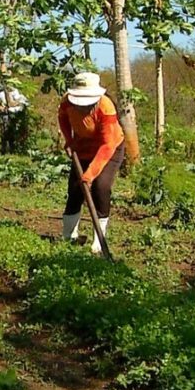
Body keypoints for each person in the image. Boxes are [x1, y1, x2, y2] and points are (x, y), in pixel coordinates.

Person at [58, 72, 125, 254]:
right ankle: (69, 235)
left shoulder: (105, 106)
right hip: (81, 145)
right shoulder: (67, 101)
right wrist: (69, 140)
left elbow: (107, 144)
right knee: (75, 189)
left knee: (100, 187)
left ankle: (98, 239)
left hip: (109, 148)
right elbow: (63, 118)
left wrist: (90, 174)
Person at [0, 86, 28, 154]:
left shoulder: (15, 92)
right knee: (4, 132)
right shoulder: (1, 93)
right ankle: (4, 149)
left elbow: (12, 103)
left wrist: (15, 103)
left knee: (12, 133)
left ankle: (13, 149)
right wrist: (0, 107)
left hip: (14, 114)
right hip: (5, 114)